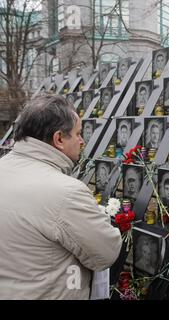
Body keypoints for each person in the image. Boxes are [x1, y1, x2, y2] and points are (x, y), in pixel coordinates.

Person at [0, 94, 122, 299]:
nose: (82, 141)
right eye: (77, 134)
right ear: (59, 139)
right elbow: (106, 254)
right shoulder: (66, 192)